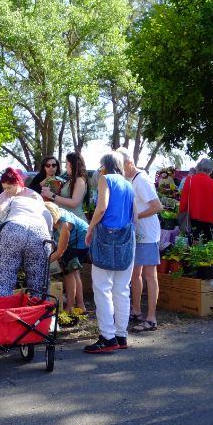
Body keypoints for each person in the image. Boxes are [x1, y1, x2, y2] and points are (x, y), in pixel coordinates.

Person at [83, 152, 135, 353]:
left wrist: (90, 227)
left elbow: (102, 207)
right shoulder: (128, 183)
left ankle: (107, 336)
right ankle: (121, 335)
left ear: (105, 165)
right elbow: (135, 214)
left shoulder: (106, 179)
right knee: (122, 289)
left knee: (102, 288)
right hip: (126, 237)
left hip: (106, 236)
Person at [118, 147, 163, 333]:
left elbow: (157, 206)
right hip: (138, 234)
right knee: (135, 274)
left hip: (148, 234)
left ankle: (151, 318)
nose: (120, 170)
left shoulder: (142, 180)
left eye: (121, 166)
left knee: (149, 275)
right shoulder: (132, 179)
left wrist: (137, 216)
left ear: (129, 163)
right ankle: (136, 311)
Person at [0, 196, 52, 296]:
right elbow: (50, 236)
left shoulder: (13, 199)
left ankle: (4, 308)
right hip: (40, 233)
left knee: (4, 278)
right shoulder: (44, 209)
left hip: (13, 228)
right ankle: (39, 309)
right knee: (38, 281)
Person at [44, 202, 89, 314]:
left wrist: (43, 263)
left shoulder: (65, 224)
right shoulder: (52, 213)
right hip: (72, 241)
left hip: (81, 242)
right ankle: (80, 305)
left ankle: (69, 307)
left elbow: (60, 251)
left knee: (69, 272)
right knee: (74, 272)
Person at [0, 167, 42, 240]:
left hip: (32, 234)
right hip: (8, 235)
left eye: (9, 188)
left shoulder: (32, 195)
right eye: (4, 188)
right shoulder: (2, 196)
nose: (6, 191)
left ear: (17, 183)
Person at [178, 158, 213, 243]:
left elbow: (183, 202)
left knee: (192, 245)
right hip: (209, 220)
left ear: (198, 167)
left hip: (192, 218)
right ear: (211, 170)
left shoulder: (189, 180)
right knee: (206, 246)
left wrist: (181, 213)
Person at [41, 152, 87, 219]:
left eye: (66, 163)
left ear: (72, 165)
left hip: (75, 222)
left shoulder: (79, 180)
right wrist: (48, 193)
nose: (65, 166)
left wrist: (52, 195)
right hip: (66, 221)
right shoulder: (70, 179)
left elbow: (74, 202)